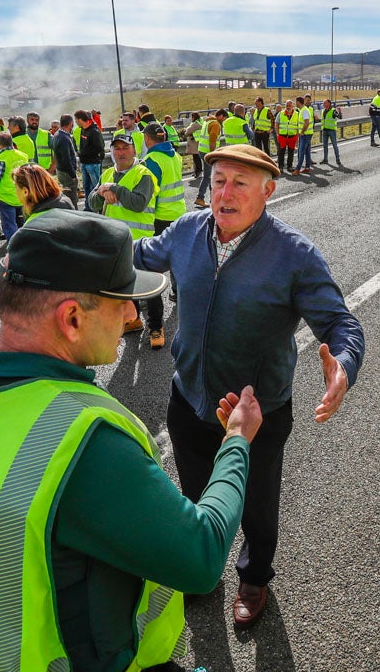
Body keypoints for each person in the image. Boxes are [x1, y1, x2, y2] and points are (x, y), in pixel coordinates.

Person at [0, 209, 262, 672]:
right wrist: (237, 441)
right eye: (122, 306)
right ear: (71, 318)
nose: (133, 319)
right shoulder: (80, 441)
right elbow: (200, 558)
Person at [133, 144, 364, 628]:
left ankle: (254, 577)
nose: (225, 193)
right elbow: (137, 257)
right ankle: (203, 571)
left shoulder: (294, 254)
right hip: (190, 401)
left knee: (257, 507)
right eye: (218, 180)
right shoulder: (186, 231)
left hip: (257, 413)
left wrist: (343, 364)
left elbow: (341, 325)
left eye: (240, 182)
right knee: (195, 500)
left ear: (268, 191)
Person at [89, 132, 161, 345]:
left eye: (125, 148)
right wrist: (102, 192)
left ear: (134, 150)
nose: (121, 152)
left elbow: (138, 203)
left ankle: (156, 327)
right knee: (127, 284)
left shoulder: (143, 174)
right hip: (116, 241)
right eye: (117, 148)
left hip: (141, 240)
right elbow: (93, 203)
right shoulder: (108, 173)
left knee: (150, 287)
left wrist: (115, 189)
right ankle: (134, 320)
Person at [0, 131, 30, 240]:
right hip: (20, 194)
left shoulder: (0, 159)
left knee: (9, 224)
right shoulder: (23, 156)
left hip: (5, 196)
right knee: (21, 222)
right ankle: (24, 244)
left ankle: (13, 246)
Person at [50, 113, 80, 209]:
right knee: (71, 198)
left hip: (60, 170)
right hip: (66, 173)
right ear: (70, 123)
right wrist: (73, 175)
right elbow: (66, 159)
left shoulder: (57, 135)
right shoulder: (64, 138)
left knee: (66, 196)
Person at [194, 109, 224, 206]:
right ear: (220, 116)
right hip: (208, 152)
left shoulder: (208, 121)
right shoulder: (215, 124)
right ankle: (200, 198)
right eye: (224, 118)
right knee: (207, 176)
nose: (224, 120)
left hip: (201, 150)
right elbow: (212, 140)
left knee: (211, 175)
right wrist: (213, 154)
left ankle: (214, 198)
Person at [74, 109, 105, 198]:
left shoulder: (94, 131)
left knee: (96, 188)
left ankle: (99, 209)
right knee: (87, 187)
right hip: (84, 163)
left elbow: (99, 147)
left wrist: (83, 153)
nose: (75, 122)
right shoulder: (83, 130)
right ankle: (88, 207)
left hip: (93, 163)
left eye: (76, 120)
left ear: (80, 119)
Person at [275, 100, 301, 172]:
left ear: (292, 106)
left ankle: (290, 166)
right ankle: (280, 167)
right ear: (285, 106)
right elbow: (276, 124)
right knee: (281, 152)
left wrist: (297, 136)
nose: (288, 107)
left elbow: (299, 126)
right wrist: (277, 134)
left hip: (292, 136)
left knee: (291, 152)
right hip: (282, 136)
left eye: (290, 105)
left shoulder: (297, 114)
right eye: (287, 105)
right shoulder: (280, 113)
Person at [320, 98, 341, 164]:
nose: (323, 104)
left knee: (334, 145)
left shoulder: (333, 110)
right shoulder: (323, 111)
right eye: (323, 103)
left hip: (331, 131)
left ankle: (337, 159)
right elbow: (323, 120)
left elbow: (339, 117)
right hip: (325, 130)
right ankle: (325, 159)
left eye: (325, 103)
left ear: (329, 103)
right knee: (325, 146)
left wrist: (339, 111)